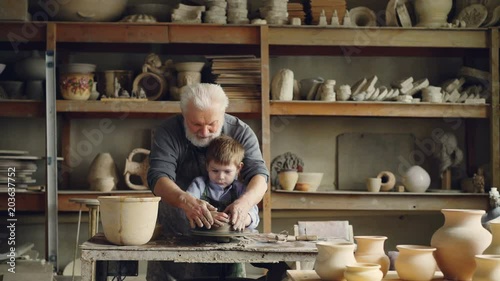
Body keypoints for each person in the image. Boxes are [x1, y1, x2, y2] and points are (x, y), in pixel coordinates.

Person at [146, 83, 269, 280]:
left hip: (226, 240)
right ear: (184, 114)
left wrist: (244, 204)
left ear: (223, 113)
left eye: (212, 124)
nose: (204, 132)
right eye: (195, 124)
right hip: (175, 236)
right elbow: (158, 177)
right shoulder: (168, 131)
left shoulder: (240, 132)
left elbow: (260, 176)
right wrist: (187, 202)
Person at [187, 135, 259, 231]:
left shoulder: (241, 188)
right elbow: (188, 205)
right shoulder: (199, 184)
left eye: (227, 172)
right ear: (207, 166)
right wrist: (206, 215)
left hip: (236, 238)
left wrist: (243, 219)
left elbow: (254, 216)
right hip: (204, 237)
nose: (220, 177)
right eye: (215, 171)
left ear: (238, 168)